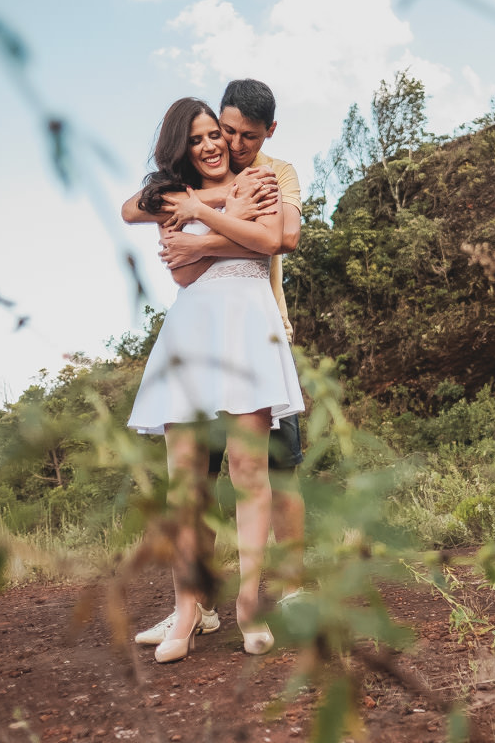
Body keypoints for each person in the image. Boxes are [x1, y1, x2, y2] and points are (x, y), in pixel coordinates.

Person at [123, 81, 309, 648]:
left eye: (224, 135)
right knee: (189, 484)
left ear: (262, 135)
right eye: (206, 135)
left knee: (262, 473)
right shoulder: (173, 193)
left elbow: (276, 240)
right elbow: (176, 269)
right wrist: (226, 224)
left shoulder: (264, 175)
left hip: (252, 330)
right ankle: (190, 611)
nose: (218, 144)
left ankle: (260, 600)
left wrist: (207, 219)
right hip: (193, 332)